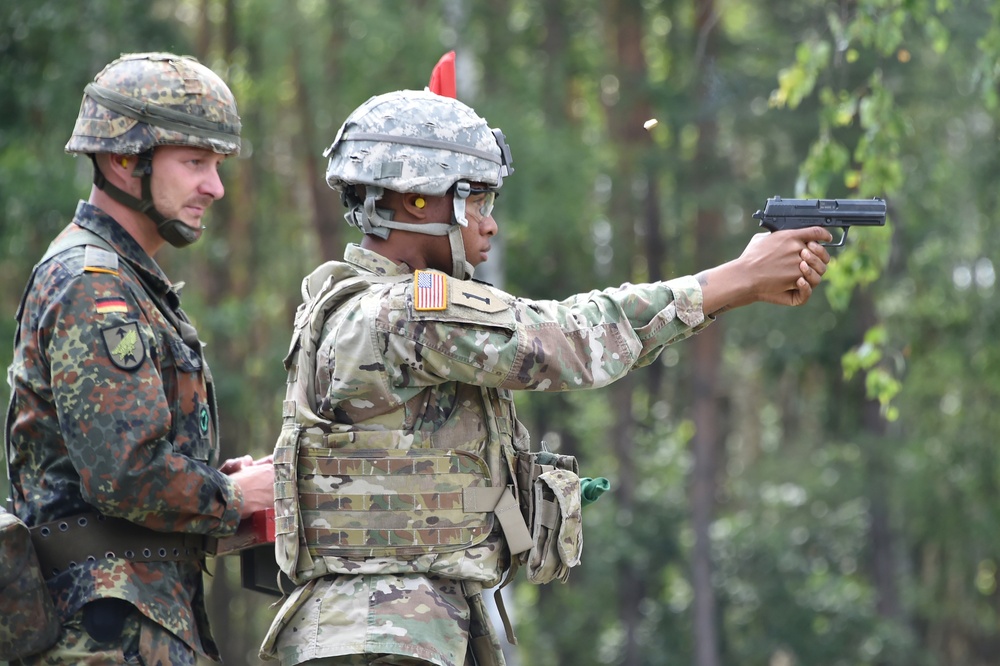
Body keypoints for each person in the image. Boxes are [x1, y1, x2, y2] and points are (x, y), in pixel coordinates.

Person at [259, 89, 833, 666]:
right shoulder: (402, 312)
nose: (491, 226)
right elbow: (568, 340)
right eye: (476, 201)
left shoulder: (366, 308)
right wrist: (736, 278)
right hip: (384, 631)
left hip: (400, 622)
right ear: (414, 202)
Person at [3, 52, 274, 665]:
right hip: (105, 629)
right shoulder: (91, 285)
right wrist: (238, 498)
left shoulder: (125, 281)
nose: (216, 186)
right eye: (195, 162)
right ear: (126, 161)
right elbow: (124, 475)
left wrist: (215, 484)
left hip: (136, 617)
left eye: (217, 164)